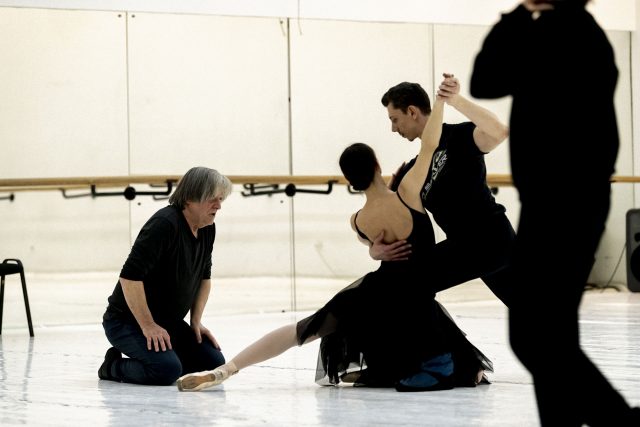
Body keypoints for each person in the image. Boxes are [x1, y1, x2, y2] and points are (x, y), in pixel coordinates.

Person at [176, 96, 492, 393]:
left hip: (377, 292)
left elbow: (366, 237)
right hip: (412, 296)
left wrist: (373, 249)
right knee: (428, 325)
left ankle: (227, 369)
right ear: (378, 165)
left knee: (302, 330)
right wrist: (440, 102)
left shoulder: (359, 219)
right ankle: (453, 368)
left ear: (349, 181)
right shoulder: (408, 193)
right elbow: (431, 143)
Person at [469, 1, 640, 425]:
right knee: (550, 336)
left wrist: (516, 16)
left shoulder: (564, 33)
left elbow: (485, 80)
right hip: (558, 203)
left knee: (535, 335)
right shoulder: (573, 31)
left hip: (563, 206)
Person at [375, 77, 516, 307]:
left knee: (411, 281)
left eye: (394, 119)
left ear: (412, 112)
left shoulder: (458, 137)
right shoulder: (412, 171)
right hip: (467, 246)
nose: (393, 128)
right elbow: (381, 220)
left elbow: (499, 132)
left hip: (492, 239)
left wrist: (455, 99)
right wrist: (375, 249)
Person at [98, 166, 233, 385]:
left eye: (220, 199)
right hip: (126, 321)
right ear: (190, 199)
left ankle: (169, 359)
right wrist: (148, 325)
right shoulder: (164, 224)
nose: (218, 206)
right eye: (212, 199)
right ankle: (113, 366)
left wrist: (196, 321)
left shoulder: (207, 228)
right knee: (165, 370)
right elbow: (129, 277)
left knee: (212, 363)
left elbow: (204, 278)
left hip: (168, 322)